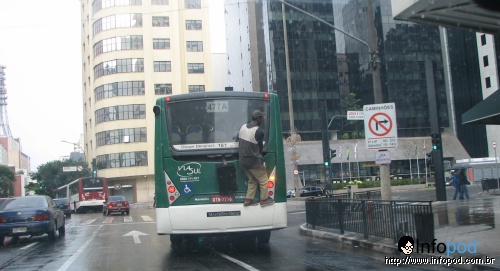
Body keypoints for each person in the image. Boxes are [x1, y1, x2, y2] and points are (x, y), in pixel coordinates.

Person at [238, 110, 274, 207]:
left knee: (252, 180)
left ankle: (248, 199)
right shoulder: (258, 132)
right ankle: (264, 199)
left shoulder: (243, 127)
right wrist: (261, 160)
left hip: (242, 161)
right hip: (253, 162)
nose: (262, 120)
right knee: (263, 180)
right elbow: (259, 149)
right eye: (261, 118)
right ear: (258, 119)